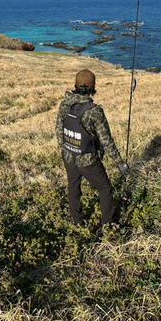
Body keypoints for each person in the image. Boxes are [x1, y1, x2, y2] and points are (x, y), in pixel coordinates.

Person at [55, 69, 129, 226]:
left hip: (68, 156)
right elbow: (106, 140)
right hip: (88, 160)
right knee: (105, 189)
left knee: (73, 187)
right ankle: (108, 225)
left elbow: (58, 131)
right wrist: (120, 163)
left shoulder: (64, 105)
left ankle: (77, 222)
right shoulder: (94, 111)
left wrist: (65, 149)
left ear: (74, 85)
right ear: (94, 86)